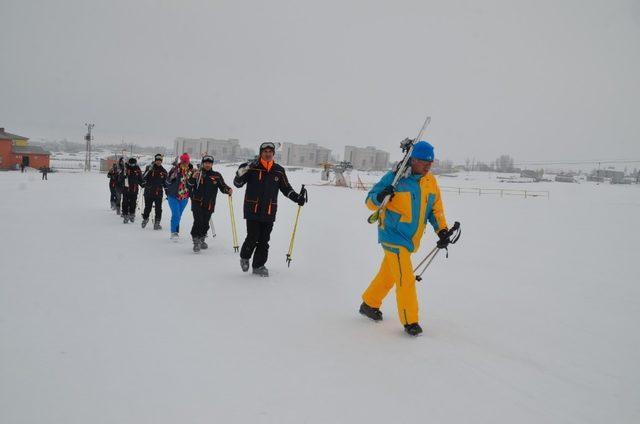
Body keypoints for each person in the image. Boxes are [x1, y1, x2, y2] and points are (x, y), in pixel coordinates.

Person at [359, 141, 450, 337]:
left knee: (389, 274)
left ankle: (369, 303)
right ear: (412, 160)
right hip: (392, 235)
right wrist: (381, 196)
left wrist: (442, 230)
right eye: (424, 162)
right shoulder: (395, 178)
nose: (428, 166)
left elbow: (435, 209)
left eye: (431, 162)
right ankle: (410, 321)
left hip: (410, 239)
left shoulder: (430, 182)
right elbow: (369, 201)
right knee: (405, 278)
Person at [233, 141, 307, 277]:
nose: (267, 154)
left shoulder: (278, 170)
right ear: (261, 153)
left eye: (270, 152)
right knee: (252, 236)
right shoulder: (252, 167)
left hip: (269, 210)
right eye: (265, 152)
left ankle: (258, 265)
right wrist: (243, 170)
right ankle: (245, 257)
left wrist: (297, 198)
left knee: (264, 240)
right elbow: (237, 183)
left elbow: (286, 188)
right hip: (252, 209)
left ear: (273, 154)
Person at [187, 155, 232, 253]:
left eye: (209, 163)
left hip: (210, 203)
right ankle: (196, 240)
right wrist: (193, 178)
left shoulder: (216, 175)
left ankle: (202, 238)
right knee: (198, 221)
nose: (207, 165)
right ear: (203, 163)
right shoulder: (197, 173)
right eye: (206, 163)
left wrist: (227, 190)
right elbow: (189, 185)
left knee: (205, 223)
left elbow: (222, 186)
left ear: (212, 164)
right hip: (197, 202)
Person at [165, 153, 194, 241]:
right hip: (173, 196)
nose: (185, 163)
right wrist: (171, 177)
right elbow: (167, 182)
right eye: (183, 161)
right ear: (181, 161)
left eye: (186, 161)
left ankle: (175, 231)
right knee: (176, 214)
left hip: (184, 197)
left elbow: (195, 183)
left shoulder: (192, 171)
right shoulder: (175, 170)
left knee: (178, 215)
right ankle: (174, 232)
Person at [141, 154, 168, 230]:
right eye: (157, 160)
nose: (158, 162)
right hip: (148, 192)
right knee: (147, 208)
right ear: (155, 160)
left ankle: (157, 223)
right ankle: (145, 219)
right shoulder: (149, 168)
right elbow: (143, 178)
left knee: (158, 209)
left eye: (160, 161)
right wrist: (148, 170)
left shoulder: (163, 171)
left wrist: (167, 192)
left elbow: (165, 183)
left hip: (158, 193)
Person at [118, 157, 143, 224]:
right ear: (129, 163)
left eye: (133, 164)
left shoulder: (137, 169)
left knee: (133, 203)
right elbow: (120, 179)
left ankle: (132, 214)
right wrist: (123, 177)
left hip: (134, 189)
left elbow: (140, 178)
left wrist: (143, 184)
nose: (132, 165)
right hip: (126, 189)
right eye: (131, 164)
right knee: (125, 202)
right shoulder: (125, 169)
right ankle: (125, 214)